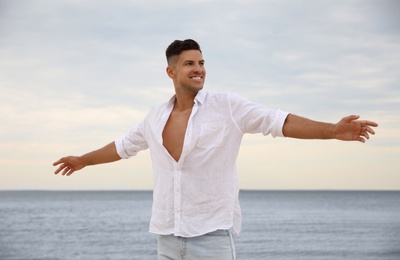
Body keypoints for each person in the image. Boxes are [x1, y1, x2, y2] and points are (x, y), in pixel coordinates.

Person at [53, 39, 378, 260]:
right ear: (171, 71)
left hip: (211, 239)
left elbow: (277, 121)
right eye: (189, 63)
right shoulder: (155, 116)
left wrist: (332, 131)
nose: (199, 69)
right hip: (166, 238)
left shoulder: (226, 106)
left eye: (202, 62)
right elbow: (123, 147)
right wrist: (82, 160)